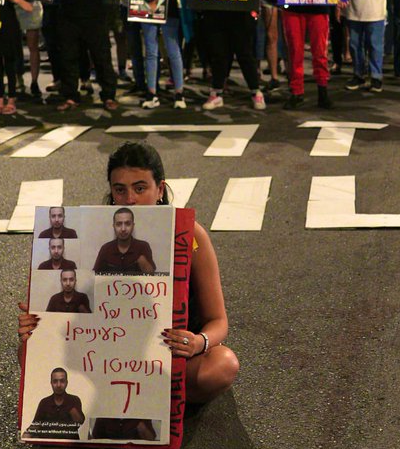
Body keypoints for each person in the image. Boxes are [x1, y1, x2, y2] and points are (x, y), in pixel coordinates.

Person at [19, 141, 239, 405]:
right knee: (27, 350)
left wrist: (198, 343)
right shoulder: (95, 239)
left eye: (140, 188)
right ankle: (140, 400)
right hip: (106, 353)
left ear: (160, 189)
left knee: (223, 364)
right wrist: (40, 319)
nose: (130, 199)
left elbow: (218, 321)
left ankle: (134, 401)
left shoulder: (190, 235)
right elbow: (78, 304)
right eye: (120, 190)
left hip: (169, 354)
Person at [24, 368, 84, 440]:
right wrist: (26, 434)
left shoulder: (74, 400)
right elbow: (36, 425)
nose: (58, 385)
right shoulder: (44, 402)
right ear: (51, 383)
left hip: (69, 447)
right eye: (55, 381)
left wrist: (68, 404)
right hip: (47, 447)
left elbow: (79, 421)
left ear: (66, 383)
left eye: (62, 381)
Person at [93, 207, 155, 273]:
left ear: (133, 226)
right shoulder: (106, 249)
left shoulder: (143, 247)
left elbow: (152, 277)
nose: (123, 229)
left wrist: (143, 262)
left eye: (127, 224)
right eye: (119, 224)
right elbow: (95, 276)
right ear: (114, 226)